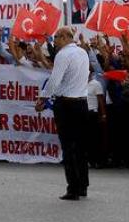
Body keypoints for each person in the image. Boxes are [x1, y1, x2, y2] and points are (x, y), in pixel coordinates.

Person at [35, 27, 89, 200]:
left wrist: (43, 98)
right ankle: (82, 185)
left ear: (66, 37)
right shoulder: (82, 52)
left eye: (57, 37)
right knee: (80, 147)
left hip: (66, 104)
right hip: (81, 102)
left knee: (68, 146)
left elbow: (54, 80)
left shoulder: (63, 54)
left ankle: (72, 188)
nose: (55, 40)